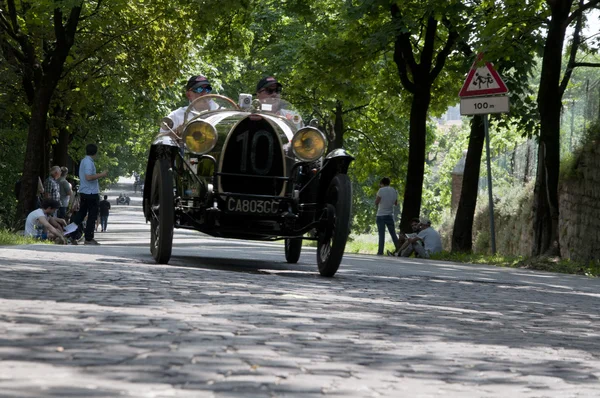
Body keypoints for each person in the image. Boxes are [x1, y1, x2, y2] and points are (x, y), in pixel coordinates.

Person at [73, 143, 108, 245]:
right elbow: (88, 177)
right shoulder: (88, 162)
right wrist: (102, 174)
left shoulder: (84, 161)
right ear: (95, 152)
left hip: (84, 191)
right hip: (91, 192)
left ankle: (70, 234)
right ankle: (88, 238)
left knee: (81, 215)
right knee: (92, 216)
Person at [375, 177, 400, 256]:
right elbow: (395, 203)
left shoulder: (381, 190)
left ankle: (380, 252)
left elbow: (376, 202)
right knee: (393, 234)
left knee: (381, 234)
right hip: (390, 215)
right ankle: (399, 250)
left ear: (382, 183)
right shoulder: (394, 190)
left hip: (381, 215)